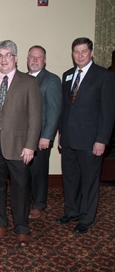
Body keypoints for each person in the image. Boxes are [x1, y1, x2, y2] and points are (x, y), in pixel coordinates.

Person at [0, 40, 42, 247]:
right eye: (0, 56)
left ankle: (21, 228)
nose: (4, 59)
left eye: (8, 55)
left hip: (20, 148)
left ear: (16, 58)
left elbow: (35, 117)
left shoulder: (29, 83)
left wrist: (30, 145)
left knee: (21, 190)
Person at [57, 37, 115, 234]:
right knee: (70, 179)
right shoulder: (67, 75)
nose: (79, 55)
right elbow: (65, 109)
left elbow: (108, 112)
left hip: (91, 141)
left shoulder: (104, 76)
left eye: (83, 51)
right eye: (76, 52)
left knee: (89, 181)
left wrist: (102, 140)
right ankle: (71, 211)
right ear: (72, 54)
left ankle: (86, 217)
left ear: (91, 53)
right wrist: (61, 134)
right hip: (68, 139)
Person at [27, 45, 61, 219]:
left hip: (40, 137)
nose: (34, 60)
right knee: (25, 171)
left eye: (38, 57)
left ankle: (39, 204)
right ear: (27, 60)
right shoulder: (22, 79)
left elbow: (54, 112)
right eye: (32, 57)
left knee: (39, 172)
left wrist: (46, 136)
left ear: (44, 60)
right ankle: (27, 200)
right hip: (23, 138)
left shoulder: (52, 80)